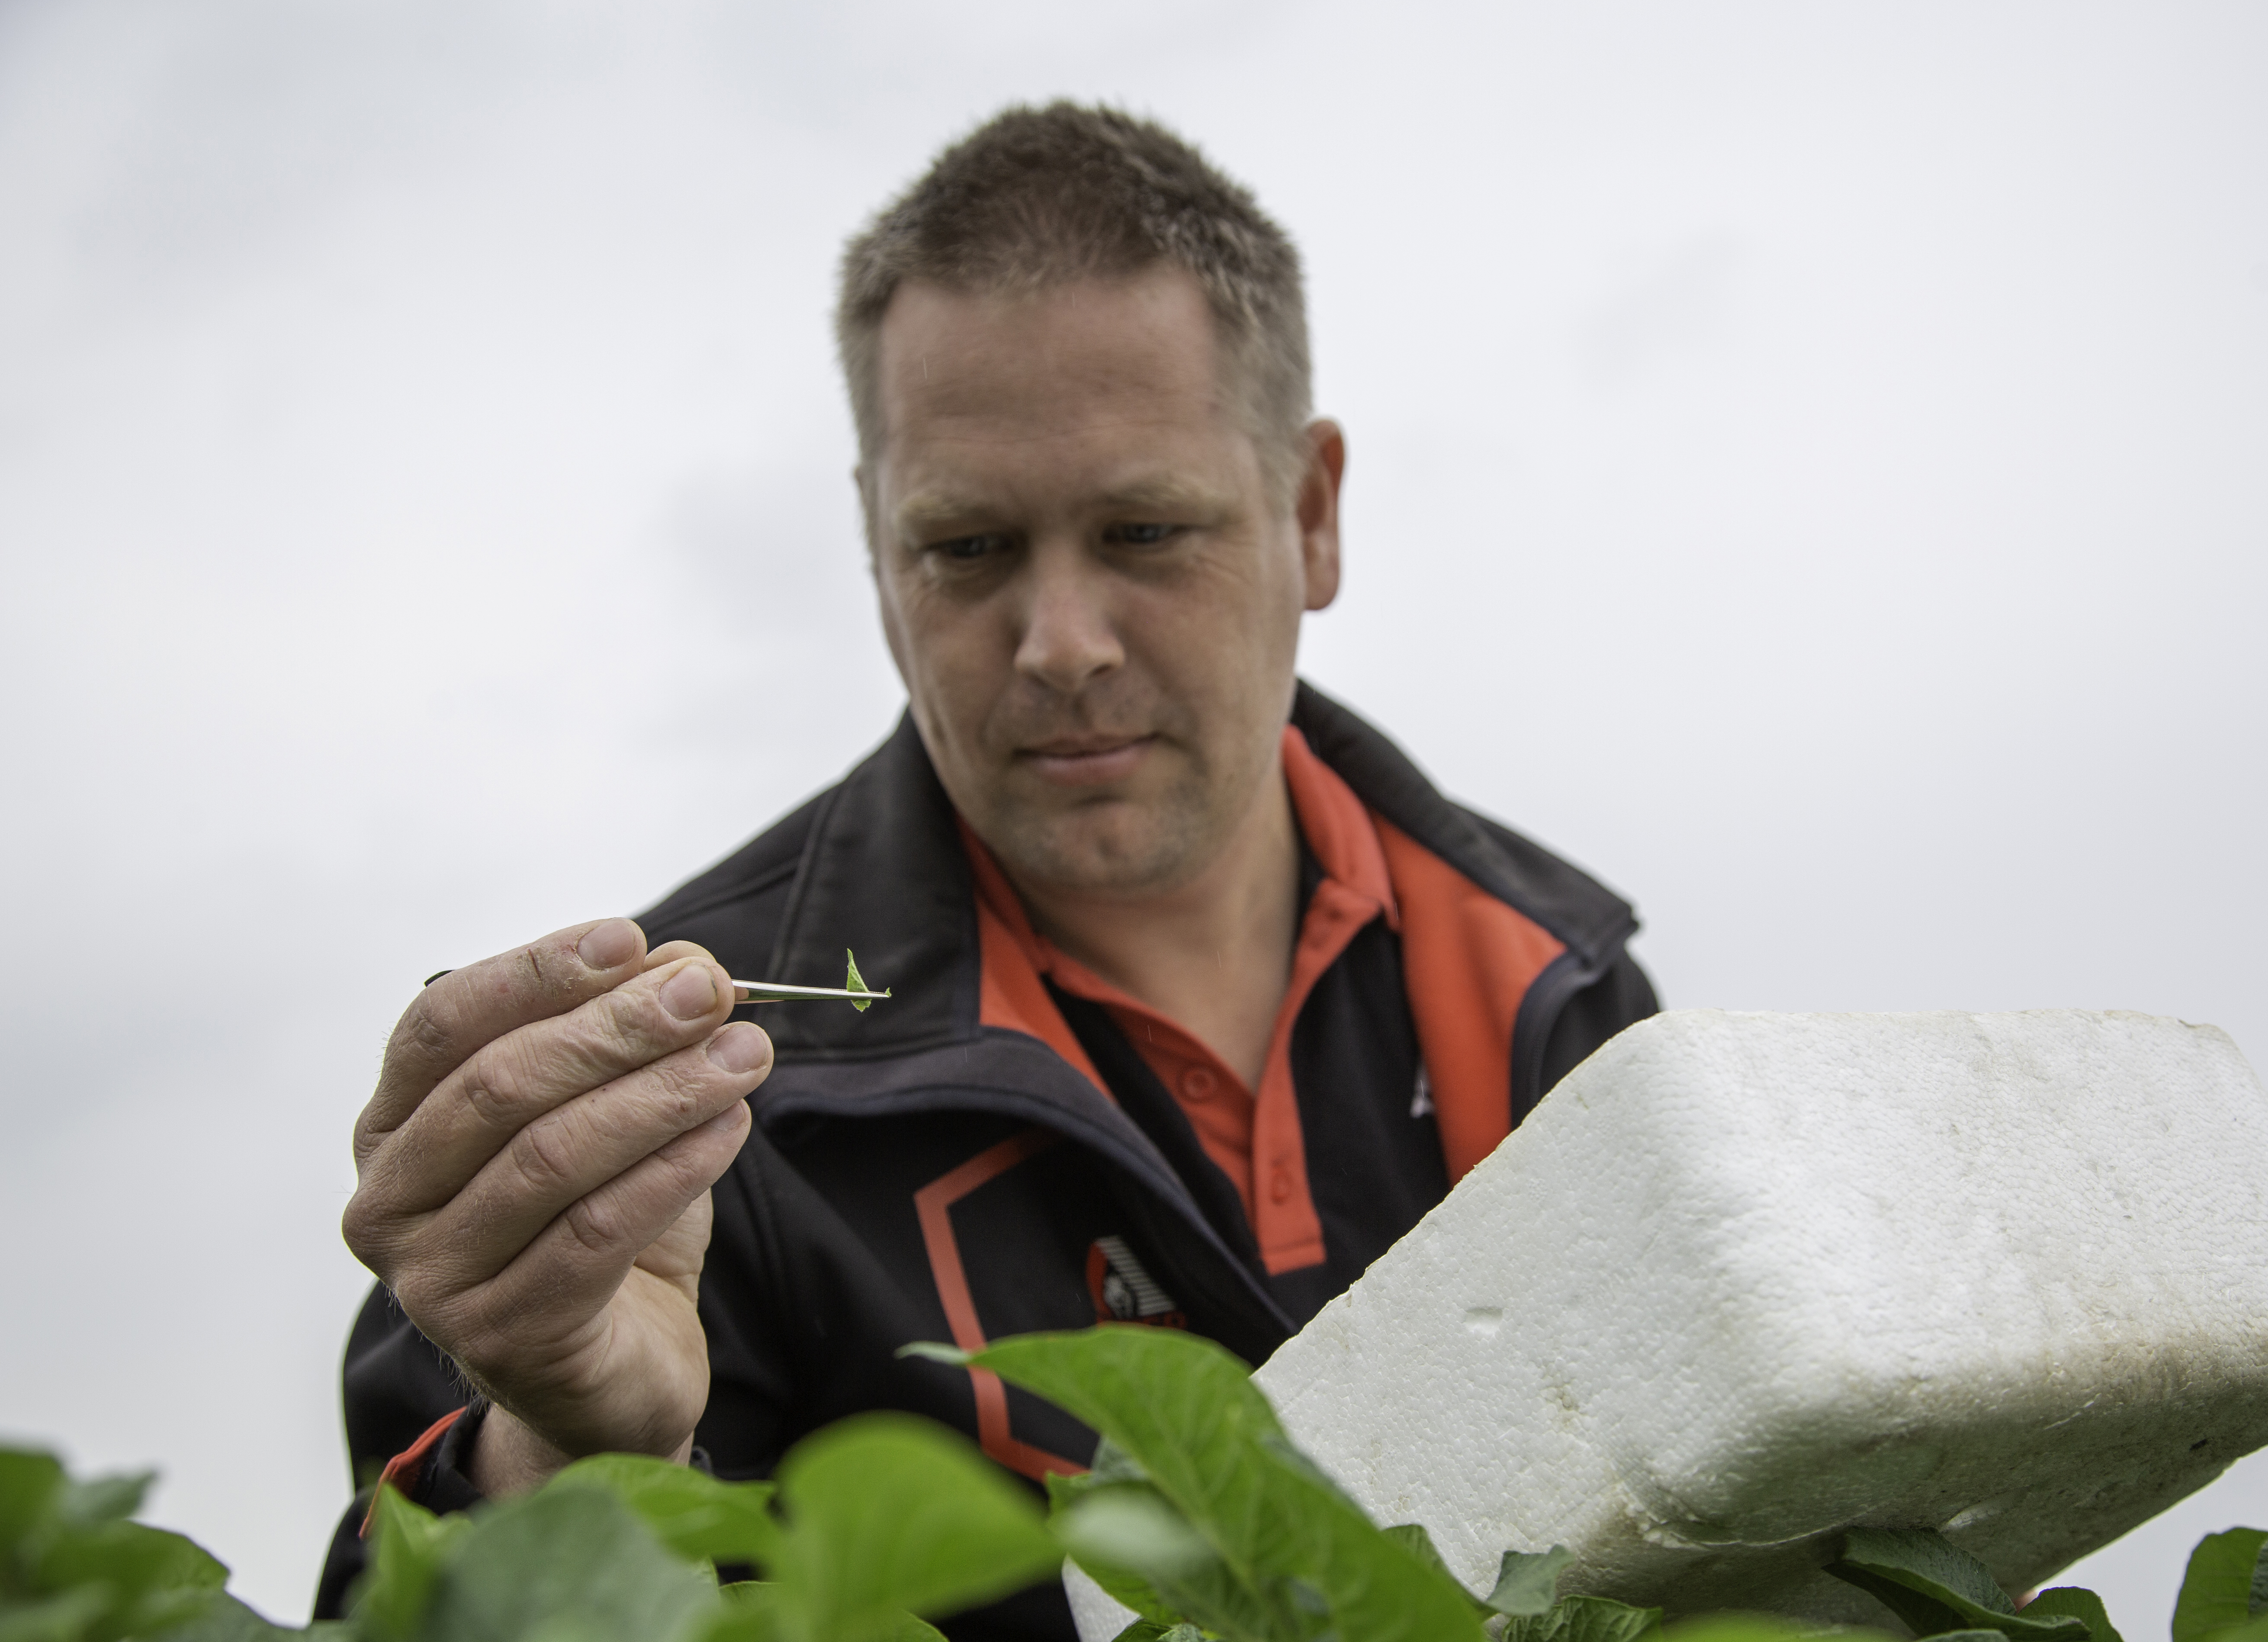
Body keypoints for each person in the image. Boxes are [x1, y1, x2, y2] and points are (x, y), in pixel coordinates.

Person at [318, 102, 1660, 1637]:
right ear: (879, 554)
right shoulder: (670, 1112)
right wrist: (567, 1445)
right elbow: (391, 1609)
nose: (1062, 644)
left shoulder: (1559, 993)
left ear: (1311, 512)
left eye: (1147, 530)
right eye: (966, 549)